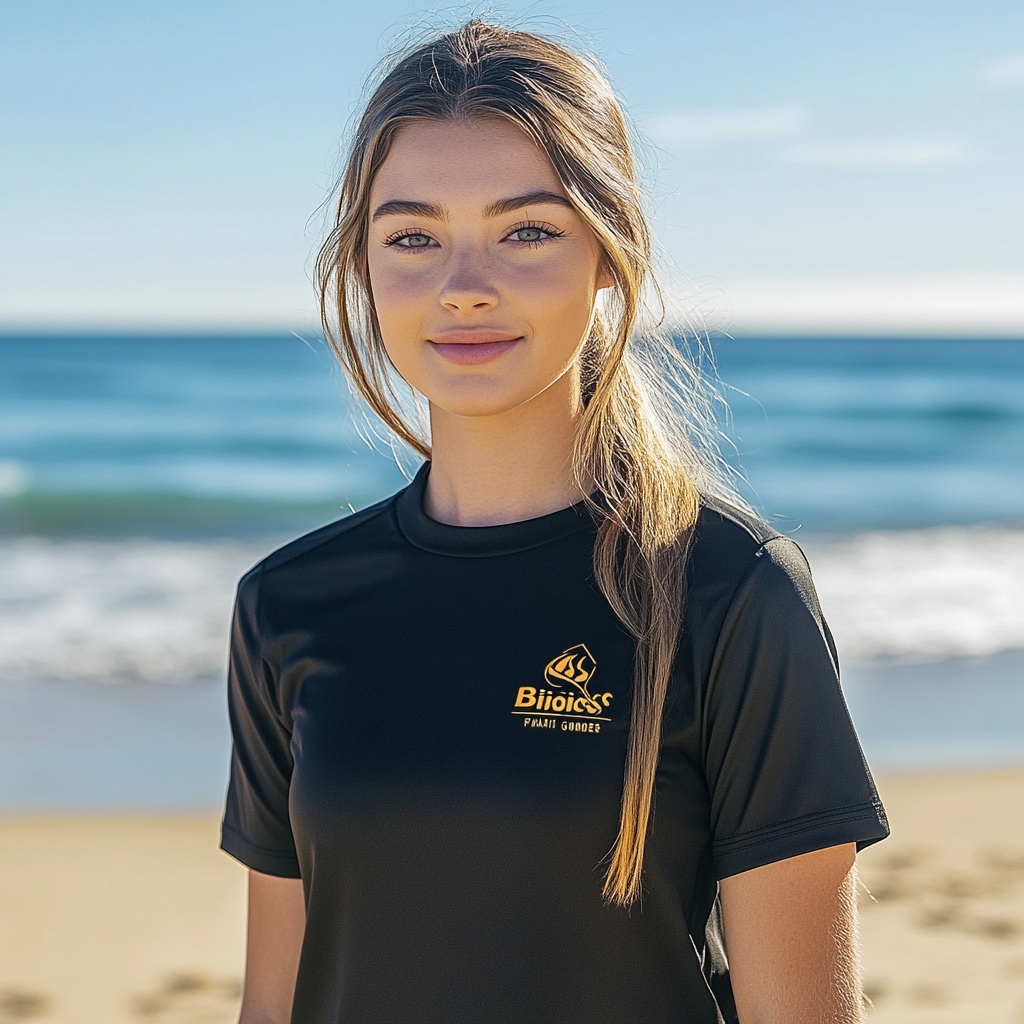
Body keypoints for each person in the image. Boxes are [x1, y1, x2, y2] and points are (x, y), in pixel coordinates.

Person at [221, 20, 888, 1024]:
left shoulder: (727, 590)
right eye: (413, 236)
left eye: (526, 228)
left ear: (609, 252)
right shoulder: (286, 602)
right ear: (362, 264)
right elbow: (274, 1002)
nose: (464, 286)